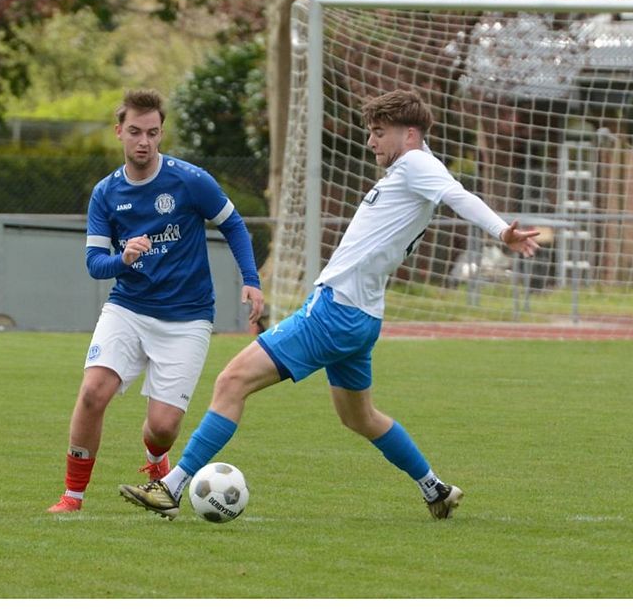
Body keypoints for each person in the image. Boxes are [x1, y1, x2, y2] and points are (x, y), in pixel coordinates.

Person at [119, 89, 540, 520]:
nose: (371, 142)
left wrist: (501, 231)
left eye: (379, 133)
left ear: (409, 134)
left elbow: (459, 196)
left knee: (231, 382)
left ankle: (171, 486)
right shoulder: (413, 171)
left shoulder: (417, 163)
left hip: (335, 312)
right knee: (360, 418)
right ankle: (435, 489)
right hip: (361, 317)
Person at [48, 89, 264, 513]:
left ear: (161, 133)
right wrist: (123, 259)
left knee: (163, 428)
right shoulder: (105, 193)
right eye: (134, 132)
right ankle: (72, 496)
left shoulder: (190, 180)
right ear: (119, 132)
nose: (143, 141)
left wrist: (251, 280)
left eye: (152, 132)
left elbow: (235, 225)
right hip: (127, 307)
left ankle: (155, 459)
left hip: (187, 318)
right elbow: (95, 263)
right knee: (93, 392)